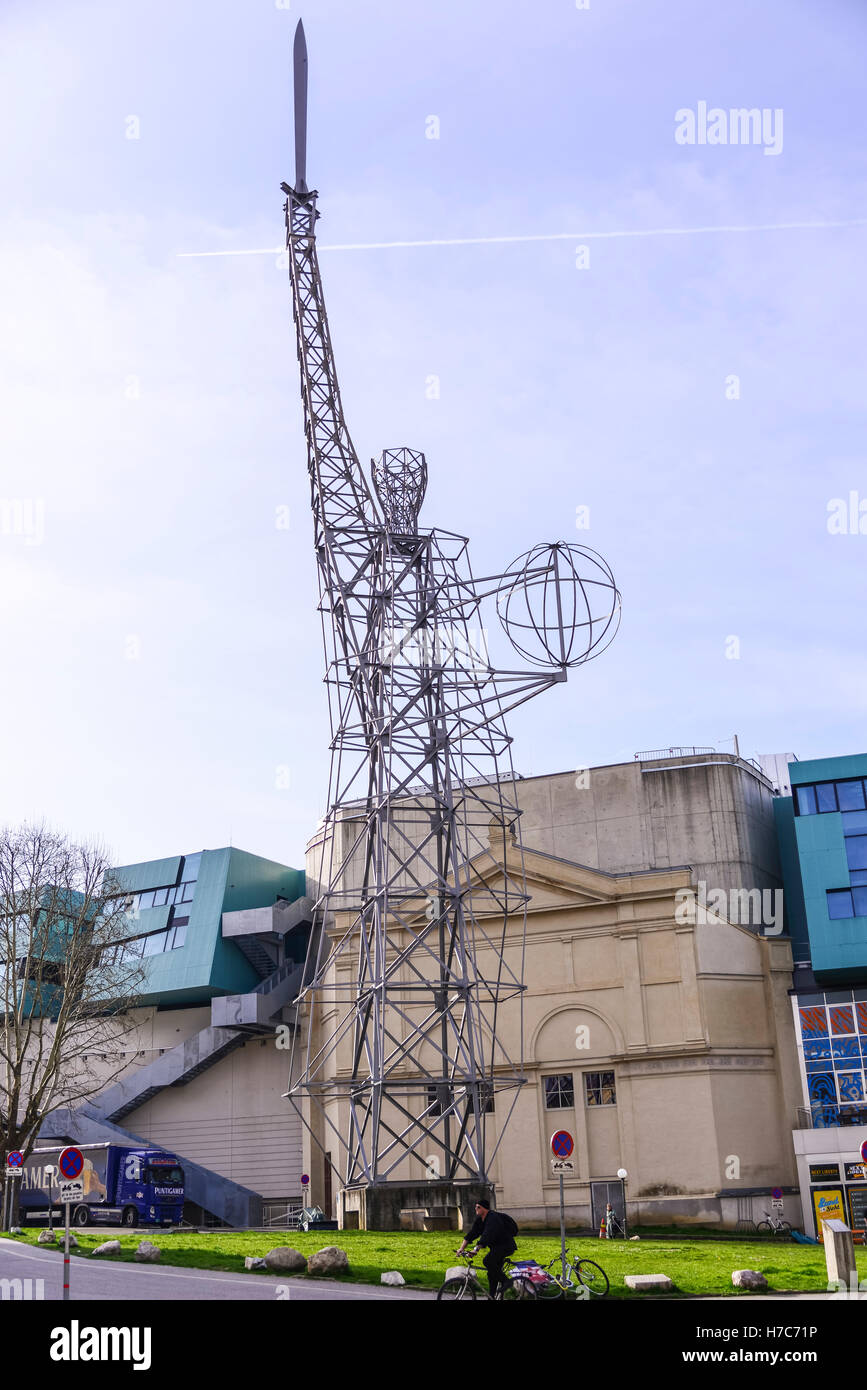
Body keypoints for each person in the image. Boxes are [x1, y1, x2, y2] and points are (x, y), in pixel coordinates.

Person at [456, 1198, 518, 1298]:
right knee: (491, 1274)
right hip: (496, 1248)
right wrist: (461, 1248)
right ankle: (492, 1296)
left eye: (478, 1207)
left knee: (487, 1261)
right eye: (475, 1207)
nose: (475, 1208)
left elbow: (487, 1235)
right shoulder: (480, 1220)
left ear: (484, 1209)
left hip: (506, 1246)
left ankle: (507, 1282)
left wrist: (476, 1249)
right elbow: (472, 1234)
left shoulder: (492, 1218)